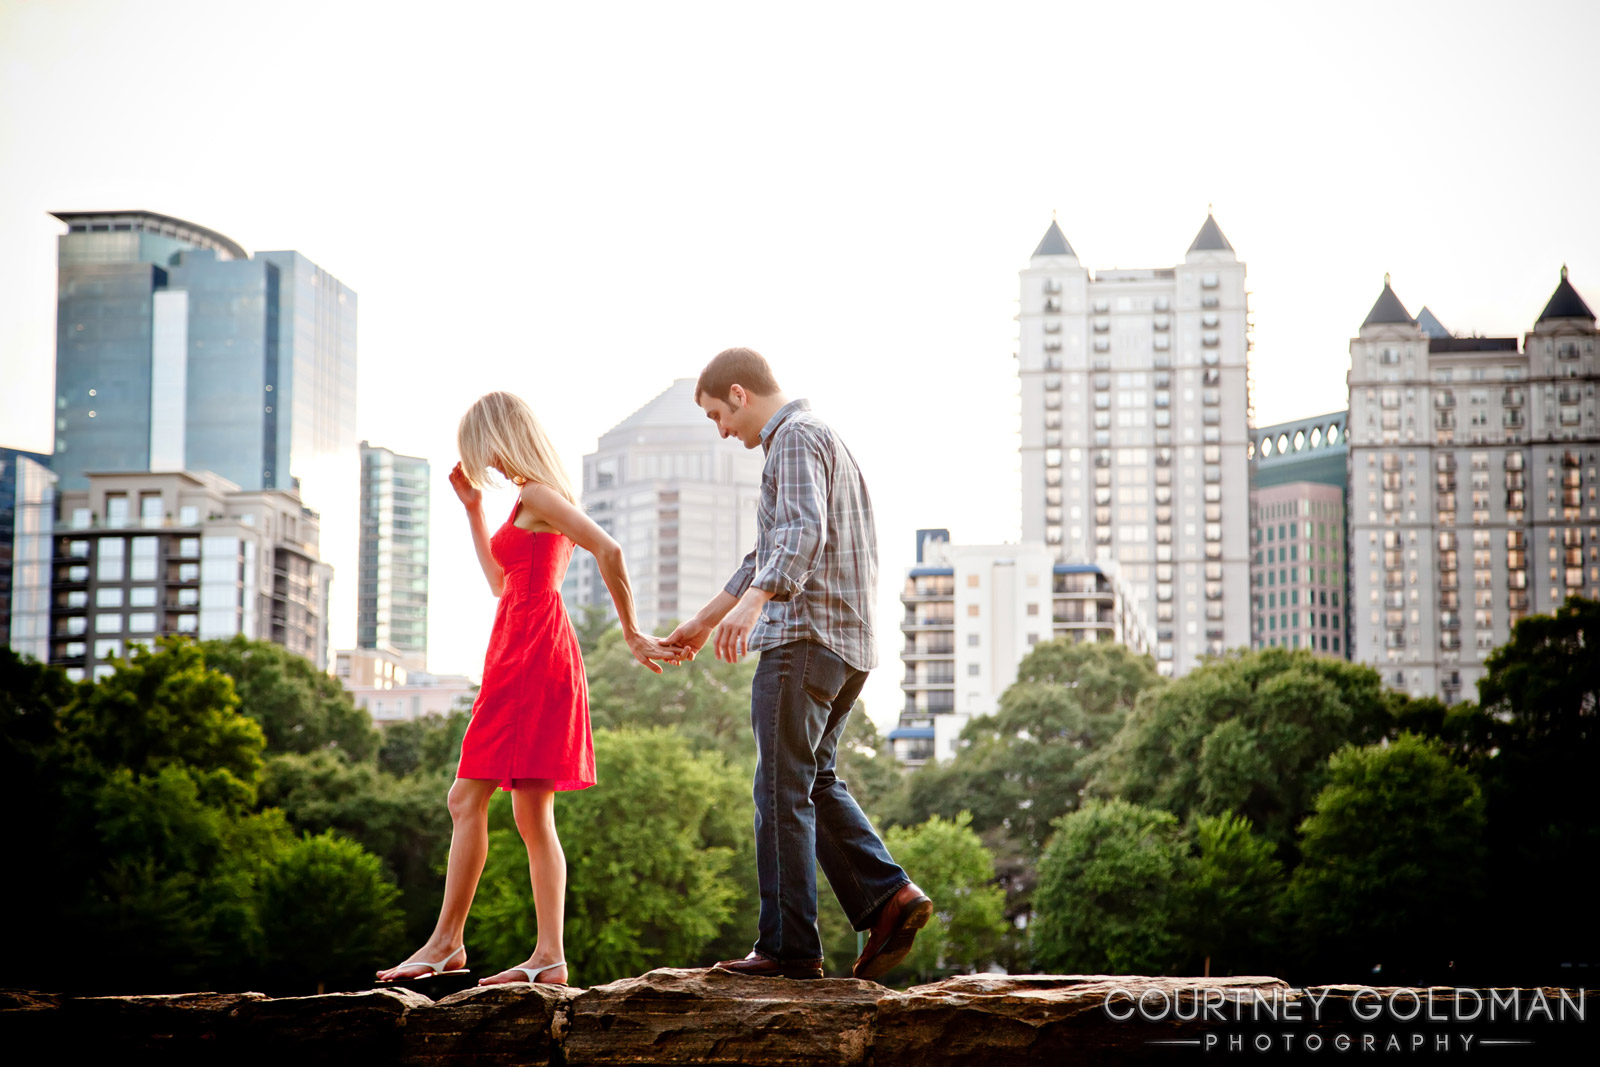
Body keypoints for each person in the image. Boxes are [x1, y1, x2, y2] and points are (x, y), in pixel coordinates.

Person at [376, 390, 681, 989]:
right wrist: (470, 510)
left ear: (499, 436)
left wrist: (631, 632)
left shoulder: (539, 495)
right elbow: (500, 583)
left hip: (532, 655)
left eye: (479, 449)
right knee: (530, 813)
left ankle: (446, 943)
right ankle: (548, 957)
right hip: (522, 648)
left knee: (467, 800)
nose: (480, 463)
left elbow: (609, 549)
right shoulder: (525, 501)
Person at [665, 348, 931, 981]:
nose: (722, 431)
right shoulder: (824, 439)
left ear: (738, 393)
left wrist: (756, 603)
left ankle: (788, 949)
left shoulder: (792, 437)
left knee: (780, 790)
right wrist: (703, 621)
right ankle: (889, 896)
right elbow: (773, 542)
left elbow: (800, 533)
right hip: (848, 647)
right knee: (812, 781)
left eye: (716, 416)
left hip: (804, 640)